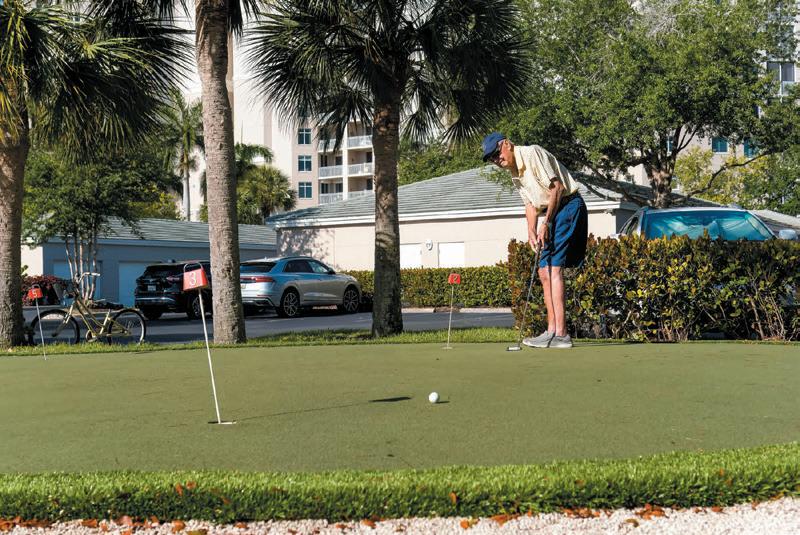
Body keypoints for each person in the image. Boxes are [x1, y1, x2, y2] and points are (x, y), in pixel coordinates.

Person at [482, 132, 588, 349]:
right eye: (491, 158)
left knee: (554, 268)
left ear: (507, 144)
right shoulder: (514, 173)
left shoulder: (532, 153)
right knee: (543, 271)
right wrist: (531, 231)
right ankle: (551, 331)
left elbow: (557, 188)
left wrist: (546, 223)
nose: (496, 160)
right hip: (553, 211)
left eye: (496, 153)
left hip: (568, 205)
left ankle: (562, 334)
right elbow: (530, 205)